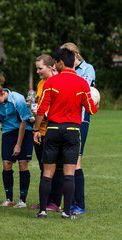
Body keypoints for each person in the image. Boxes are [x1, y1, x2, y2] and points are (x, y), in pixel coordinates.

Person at [34, 48, 98, 219]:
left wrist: (35, 129)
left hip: (53, 130)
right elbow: (91, 109)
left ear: (61, 63)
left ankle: (42, 211)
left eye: (56, 62)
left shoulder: (51, 82)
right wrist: (97, 101)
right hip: (72, 131)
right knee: (69, 173)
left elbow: (41, 109)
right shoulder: (82, 84)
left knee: (47, 173)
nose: (55, 65)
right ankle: (67, 212)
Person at [0, 76, 33, 209]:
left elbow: (23, 122)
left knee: (22, 164)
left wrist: (18, 144)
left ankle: (22, 200)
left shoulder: (17, 99)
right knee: (7, 165)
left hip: (24, 132)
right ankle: (9, 199)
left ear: (2, 93)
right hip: (7, 132)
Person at [60, 42, 95, 215]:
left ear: (73, 54)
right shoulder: (64, 69)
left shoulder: (88, 69)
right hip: (64, 119)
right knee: (66, 161)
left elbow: (84, 91)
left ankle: (79, 204)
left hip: (80, 119)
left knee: (76, 161)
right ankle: (69, 201)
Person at [30, 54, 63, 212]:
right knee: (44, 167)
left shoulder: (57, 82)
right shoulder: (41, 83)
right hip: (39, 131)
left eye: (40, 68)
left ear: (51, 67)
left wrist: (43, 117)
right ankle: (45, 200)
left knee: (55, 168)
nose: (37, 71)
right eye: (36, 68)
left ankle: (55, 202)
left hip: (53, 130)